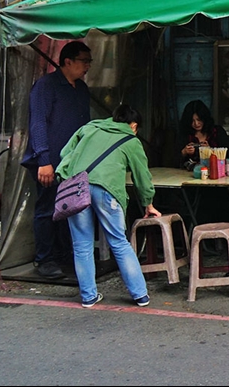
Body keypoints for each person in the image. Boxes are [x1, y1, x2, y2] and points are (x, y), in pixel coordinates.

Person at [56, 104, 160, 308]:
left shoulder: (89, 128)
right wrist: (148, 203)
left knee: (81, 245)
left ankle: (88, 297)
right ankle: (140, 295)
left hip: (78, 187)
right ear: (134, 125)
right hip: (107, 191)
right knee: (119, 242)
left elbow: (64, 153)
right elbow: (142, 176)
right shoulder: (131, 141)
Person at [20, 40, 93, 279]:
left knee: (69, 208)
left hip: (73, 162)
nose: (87, 66)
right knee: (47, 208)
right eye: (84, 61)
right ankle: (45, 259)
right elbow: (38, 123)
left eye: (89, 62)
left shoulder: (81, 89)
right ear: (67, 61)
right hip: (49, 161)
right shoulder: (46, 86)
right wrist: (43, 160)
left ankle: (64, 255)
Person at [179, 99, 229, 169]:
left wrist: (210, 151)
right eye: (192, 121)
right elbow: (171, 161)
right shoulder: (185, 134)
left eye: (199, 120)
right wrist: (184, 152)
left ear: (205, 118)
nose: (196, 124)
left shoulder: (217, 132)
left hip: (216, 173)